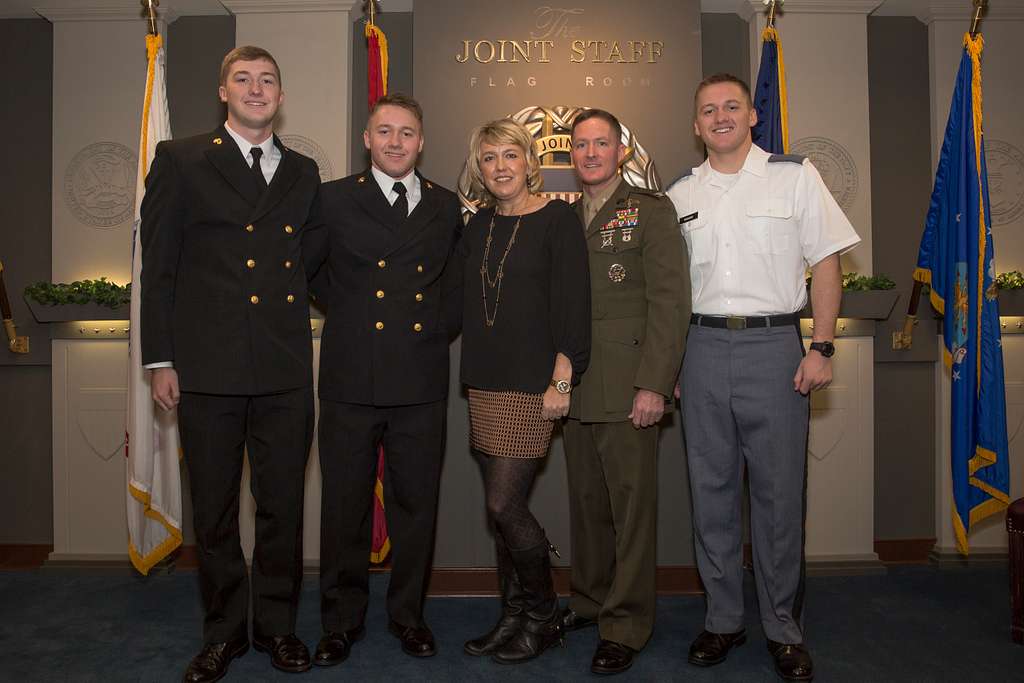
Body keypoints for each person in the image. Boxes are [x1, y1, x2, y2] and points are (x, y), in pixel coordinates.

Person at [666, 73, 860, 682]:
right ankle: (723, 620)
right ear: (695, 126)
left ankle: (783, 626)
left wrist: (821, 345)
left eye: (731, 106)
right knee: (711, 493)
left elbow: (826, 260)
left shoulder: (794, 176)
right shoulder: (679, 193)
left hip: (776, 346)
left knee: (778, 498)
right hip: (700, 348)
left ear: (752, 116)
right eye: (707, 110)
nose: (720, 116)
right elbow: (671, 292)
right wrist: (671, 363)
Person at [141, 45, 322, 682]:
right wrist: (160, 359)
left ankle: (277, 628)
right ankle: (223, 633)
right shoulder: (181, 159)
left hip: (283, 370)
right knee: (214, 510)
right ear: (223, 91)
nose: (255, 88)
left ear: (280, 94)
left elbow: (315, 266)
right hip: (206, 369)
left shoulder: (303, 172)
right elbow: (157, 268)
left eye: (267, 79)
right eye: (243, 79)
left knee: (281, 508)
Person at [303, 93, 463, 665]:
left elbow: (456, 289)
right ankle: (340, 621)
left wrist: (423, 334)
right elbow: (312, 275)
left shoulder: (447, 206)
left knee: (415, 505)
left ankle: (408, 615)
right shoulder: (332, 199)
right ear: (367, 140)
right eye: (385, 131)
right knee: (343, 506)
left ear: (422, 142)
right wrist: (353, 319)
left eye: (407, 132)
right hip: (350, 375)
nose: (396, 142)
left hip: (420, 377)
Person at [559, 109, 691, 675]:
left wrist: (654, 384)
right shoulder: (564, 217)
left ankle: (628, 623)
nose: (590, 153)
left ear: (621, 151)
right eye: (581, 145)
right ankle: (590, 601)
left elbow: (670, 302)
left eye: (601, 144)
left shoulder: (650, 211)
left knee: (631, 512)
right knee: (588, 506)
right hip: (577, 385)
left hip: (630, 385)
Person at [458, 118, 590, 664]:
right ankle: (511, 615)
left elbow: (574, 304)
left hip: (532, 384)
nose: (501, 167)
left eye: (510, 155)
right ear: (479, 170)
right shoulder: (477, 226)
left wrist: (563, 377)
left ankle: (542, 612)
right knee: (502, 511)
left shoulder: (558, 219)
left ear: (529, 161)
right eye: (489, 158)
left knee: (502, 501)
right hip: (484, 380)